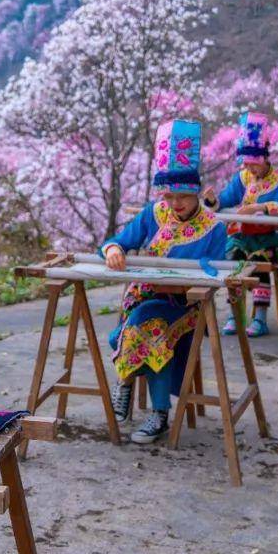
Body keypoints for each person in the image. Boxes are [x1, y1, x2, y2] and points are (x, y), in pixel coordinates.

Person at [100, 119, 227, 444]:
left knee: (144, 328)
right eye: (168, 196)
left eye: (182, 196)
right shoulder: (154, 214)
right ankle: (140, 397)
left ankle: (148, 404)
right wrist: (113, 249)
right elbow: (120, 239)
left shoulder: (215, 227)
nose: (175, 204)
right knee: (126, 332)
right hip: (144, 299)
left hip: (188, 305)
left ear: (195, 190)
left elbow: (214, 276)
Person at [204, 111, 278, 337]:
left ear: (265, 158)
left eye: (253, 164)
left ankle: (260, 318)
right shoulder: (243, 178)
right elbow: (226, 199)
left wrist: (258, 207)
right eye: (246, 164)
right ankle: (235, 315)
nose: (250, 169)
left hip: (270, 237)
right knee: (233, 261)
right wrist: (212, 200)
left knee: (258, 259)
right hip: (242, 236)